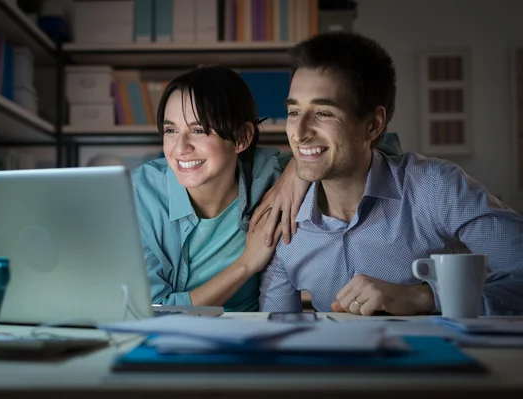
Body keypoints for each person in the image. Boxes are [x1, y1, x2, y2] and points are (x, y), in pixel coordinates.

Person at [259, 32, 523, 316]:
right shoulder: (283, 221)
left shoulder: (434, 188)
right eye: (294, 112)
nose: (298, 134)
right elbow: (275, 341)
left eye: (323, 113)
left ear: (373, 125)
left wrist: (423, 298)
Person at [132, 65, 402, 312]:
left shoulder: (266, 176)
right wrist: (246, 264)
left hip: (246, 341)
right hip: (166, 341)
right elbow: (154, 310)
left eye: (199, 130)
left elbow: (375, 145)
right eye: (170, 131)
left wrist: (295, 172)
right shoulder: (139, 194)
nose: (180, 148)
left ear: (242, 138)